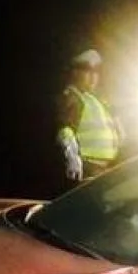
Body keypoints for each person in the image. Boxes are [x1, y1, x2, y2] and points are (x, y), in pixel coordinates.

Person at [56, 49, 125, 183]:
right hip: (88, 168)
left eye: (96, 72)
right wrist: (72, 157)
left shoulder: (95, 99)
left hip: (107, 168)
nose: (93, 77)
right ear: (75, 72)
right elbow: (65, 130)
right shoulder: (73, 97)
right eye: (88, 71)